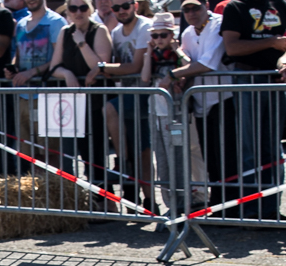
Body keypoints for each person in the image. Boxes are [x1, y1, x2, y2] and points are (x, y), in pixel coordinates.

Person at [221, 0, 286, 218]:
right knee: (249, 151)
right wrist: (271, 42)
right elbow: (233, 47)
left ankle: (272, 210)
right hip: (247, 79)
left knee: (273, 151)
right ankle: (251, 211)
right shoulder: (235, 7)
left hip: (275, 81)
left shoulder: (280, 4)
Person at [161, 0, 234, 213]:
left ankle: (230, 206)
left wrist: (173, 75)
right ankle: (217, 205)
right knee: (209, 157)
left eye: (196, 8)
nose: (191, 13)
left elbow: (207, 64)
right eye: (186, 9)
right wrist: (182, 79)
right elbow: (189, 65)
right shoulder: (187, 33)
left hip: (224, 98)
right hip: (201, 101)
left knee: (226, 156)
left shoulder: (218, 25)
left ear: (206, 5)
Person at [141, 12, 207, 216]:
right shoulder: (152, 56)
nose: (159, 39)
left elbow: (188, 65)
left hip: (176, 112)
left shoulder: (177, 55)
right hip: (156, 112)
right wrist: (147, 53)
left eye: (163, 35)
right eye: (155, 35)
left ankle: (183, 201)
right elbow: (144, 78)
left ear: (172, 36)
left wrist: (176, 49)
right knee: (161, 159)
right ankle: (170, 204)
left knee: (178, 158)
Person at [46, 0, 112, 186]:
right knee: (70, 156)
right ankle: (83, 204)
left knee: (95, 157)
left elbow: (99, 66)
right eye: (73, 8)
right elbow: (54, 66)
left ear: (90, 9)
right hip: (71, 103)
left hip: (96, 101)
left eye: (83, 7)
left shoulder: (99, 30)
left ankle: (105, 205)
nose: (78, 12)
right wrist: (66, 74)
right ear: (67, 11)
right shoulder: (65, 32)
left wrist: (81, 42)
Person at [96, 0, 153, 209]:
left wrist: (101, 68)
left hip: (146, 94)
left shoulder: (145, 26)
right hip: (127, 96)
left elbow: (135, 66)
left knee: (109, 108)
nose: (121, 11)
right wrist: (107, 69)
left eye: (125, 5)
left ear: (135, 5)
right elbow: (119, 67)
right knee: (142, 152)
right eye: (116, 8)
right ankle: (147, 202)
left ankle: (121, 162)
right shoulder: (117, 32)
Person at [11, 0, 67, 166]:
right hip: (23, 95)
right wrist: (13, 68)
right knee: (29, 153)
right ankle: (37, 191)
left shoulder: (56, 22)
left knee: (50, 151)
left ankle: (53, 189)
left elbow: (59, 57)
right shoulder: (21, 24)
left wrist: (32, 72)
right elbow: (19, 55)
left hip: (47, 96)